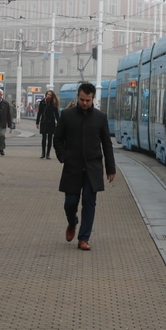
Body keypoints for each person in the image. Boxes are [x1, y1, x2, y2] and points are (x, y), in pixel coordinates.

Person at [53, 83, 116, 251]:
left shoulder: (100, 118)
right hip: (72, 167)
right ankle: (72, 222)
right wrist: (63, 157)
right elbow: (57, 138)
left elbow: (107, 144)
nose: (85, 103)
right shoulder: (67, 115)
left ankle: (84, 238)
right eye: (82, 100)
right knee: (70, 202)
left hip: (92, 168)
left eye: (88, 100)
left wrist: (111, 168)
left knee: (89, 202)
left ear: (93, 98)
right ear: (77, 97)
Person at [36, 90, 60, 159]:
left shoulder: (54, 103)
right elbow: (39, 113)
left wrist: (59, 123)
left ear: (52, 96)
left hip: (51, 122)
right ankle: (43, 153)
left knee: (50, 138)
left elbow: (56, 114)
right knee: (44, 137)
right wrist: (37, 122)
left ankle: (48, 153)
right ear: (46, 95)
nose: (48, 96)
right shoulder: (42, 102)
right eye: (48, 94)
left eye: (50, 95)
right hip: (43, 121)